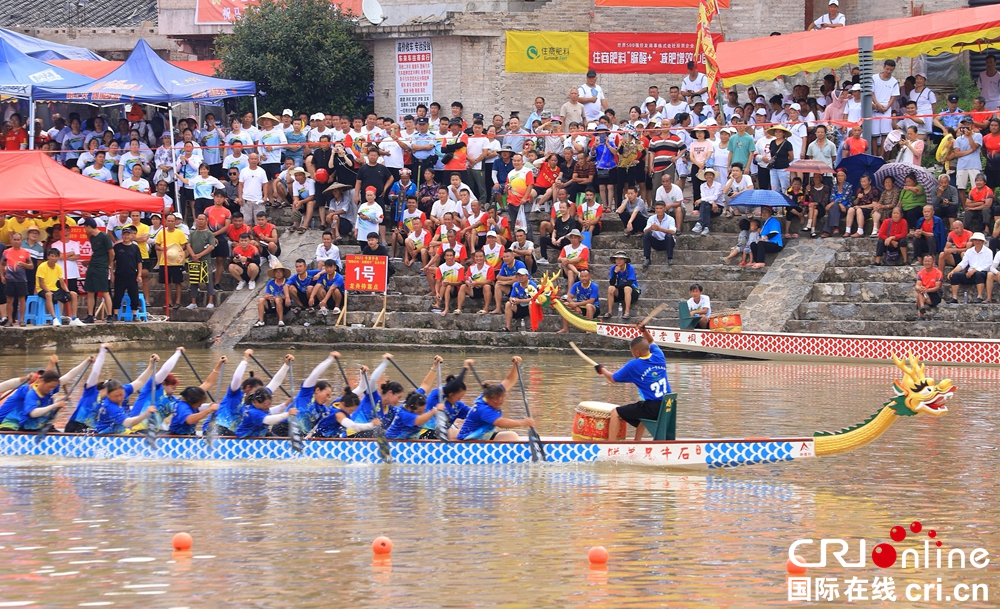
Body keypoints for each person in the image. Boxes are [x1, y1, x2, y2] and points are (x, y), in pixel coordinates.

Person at [595, 325, 668, 441]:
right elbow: (651, 340)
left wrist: (601, 369)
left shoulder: (634, 365)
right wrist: (644, 331)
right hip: (667, 406)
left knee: (616, 412)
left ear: (637, 352)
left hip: (653, 407)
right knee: (642, 409)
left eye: (632, 352)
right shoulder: (659, 355)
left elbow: (612, 379)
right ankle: (637, 441)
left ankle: (611, 445)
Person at [212, 350, 291, 437]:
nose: (259, 393)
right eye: (257, 390)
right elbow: (237, 378)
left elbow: (275, 382)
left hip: (235, 432)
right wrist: (245, 359)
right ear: (248, 388)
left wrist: (286, 365)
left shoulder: (259, 398)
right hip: (220, 429)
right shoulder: (235, 394)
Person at [456, 357, 535, 441]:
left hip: (482, 435)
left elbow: (509, 380)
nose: (498, 404)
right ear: (488, 398)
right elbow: (501, 423)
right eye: (495, 401)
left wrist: (515, 365)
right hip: (469, 440)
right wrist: (523, 423)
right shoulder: (483, 409)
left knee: (512, 435)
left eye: (501, 401)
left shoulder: (495, 392)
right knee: (511, 436)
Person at [35, 248, 84, 327]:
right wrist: (49, 292)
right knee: (49, 295)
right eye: (52, 256)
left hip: (55, 289)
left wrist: (67, 291)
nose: (54, 258)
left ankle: (74, 318)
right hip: (42, 290)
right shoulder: (42, 267)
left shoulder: (58, 267)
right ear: (48, 257)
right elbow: (41, 284)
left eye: (56, 256)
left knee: (73, 294)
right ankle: (54, 318)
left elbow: (62, 283)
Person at [154, 213, 192, 310]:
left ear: (175, 222)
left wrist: (175, 249)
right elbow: (156, 245)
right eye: (168, 221)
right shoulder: (161, 232)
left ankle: (178, 301)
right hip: (164, 261)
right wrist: (163, 248)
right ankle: (168, 301)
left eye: (172, 221)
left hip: (176, 261)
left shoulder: (179, 233)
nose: (170, 223)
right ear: (165, 222)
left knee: (177, 282)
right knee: (166, 283)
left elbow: (184, 245)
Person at [81, 218, 114, 324]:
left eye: (85, 227)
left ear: (88, 226)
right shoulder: (92, 237)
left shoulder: (104, 236)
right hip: (93, 265)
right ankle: (90, 315)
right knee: (90, 291)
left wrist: (108, 263)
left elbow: (111, 252)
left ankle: (110, 315)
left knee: (105, 291)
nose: (84, 229)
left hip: (101, 266)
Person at [946, 232, 992, 303]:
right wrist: (953, 271)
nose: (977, 242)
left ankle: (980, 296)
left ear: (982, 241)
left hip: (981, 273)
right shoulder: (969, 251)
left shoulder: (988, 252)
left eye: (979, 240)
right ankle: (954, 297)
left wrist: (974, 270)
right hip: (969, 273)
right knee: (954, 275)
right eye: (975, 240)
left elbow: (988, 266)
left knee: (979, 274)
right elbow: (963, 263)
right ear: (973, 241)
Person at [111, 225, 143, 319]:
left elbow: (139, 262)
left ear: (131, 236)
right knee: (118, 295)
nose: (126, 236)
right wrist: (111, 273)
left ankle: (134, 315)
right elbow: (112, 261)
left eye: (128, 234)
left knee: (134, 295)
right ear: (122, 235)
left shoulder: (135, 248)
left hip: (132, 274)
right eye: (124, 234)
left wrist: (139, 275)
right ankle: (115, 314)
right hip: (119, 275)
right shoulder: (117, 247)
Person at [559, 267, 599, 334]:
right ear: (579, 277)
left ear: (589, 276)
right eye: (582, 276)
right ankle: (565, 328)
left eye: (586, 276)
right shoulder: (576, 285)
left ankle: (588, 328)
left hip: (593, 308)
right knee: (565, 305)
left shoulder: (594, 286)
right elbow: (569, 297)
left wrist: (576, 304)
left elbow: (591, 301)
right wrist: (575, 306)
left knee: (588, 305)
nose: (584, 278)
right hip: (580, 307)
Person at [605, 251, 640, 319]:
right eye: (617, 259)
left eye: (621, 259)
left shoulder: (630, 268)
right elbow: (612, 283)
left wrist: (616, 287)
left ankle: (627, 312)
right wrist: (615, 272)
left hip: (632, 291)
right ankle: (609, 312)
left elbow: (629, 283)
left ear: (625, 260)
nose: (618, 261)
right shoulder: (613, 268)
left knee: (627, 288)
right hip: (621, 292)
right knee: (610, 288)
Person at [255, 262, 291, 327]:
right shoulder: (270, 283)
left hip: (283, 304)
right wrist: (268, 297)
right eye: (277, 272)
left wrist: (278, 297)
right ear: (274, 273)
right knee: (261, 300)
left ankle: (280, 320)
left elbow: (288, 296)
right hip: (272, 304)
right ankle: (261, 321)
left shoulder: (287, 282)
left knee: (277, 299)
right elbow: (266, 294)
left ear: (283, 273)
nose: (278, 274)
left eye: (280, 272)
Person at [642, 200, 676, 268]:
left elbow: (673, 231)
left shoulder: (670, 219)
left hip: (667, 242)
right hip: (656, 242)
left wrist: (660, 229)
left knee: (669, 236)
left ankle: (670, 258)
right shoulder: (651, 218)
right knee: (646, 235)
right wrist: (651, 228)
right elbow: (645, 230)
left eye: (660, 208)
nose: (658, 210)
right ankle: (647, 258)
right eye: (657, 208)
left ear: (664, 209)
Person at [502, 268, 536, 332]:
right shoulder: (516, 285)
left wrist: (520, 301)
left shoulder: (532, 285)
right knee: (508, 304)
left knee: (531, 304)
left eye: (522, 275)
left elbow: (534, 298)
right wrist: (512, 300)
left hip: (529, 306)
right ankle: (508, 327)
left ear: (527, 276)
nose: (520, 277)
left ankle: (533, 327)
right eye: (519, 276)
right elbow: (511, 296)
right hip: (519, 306)